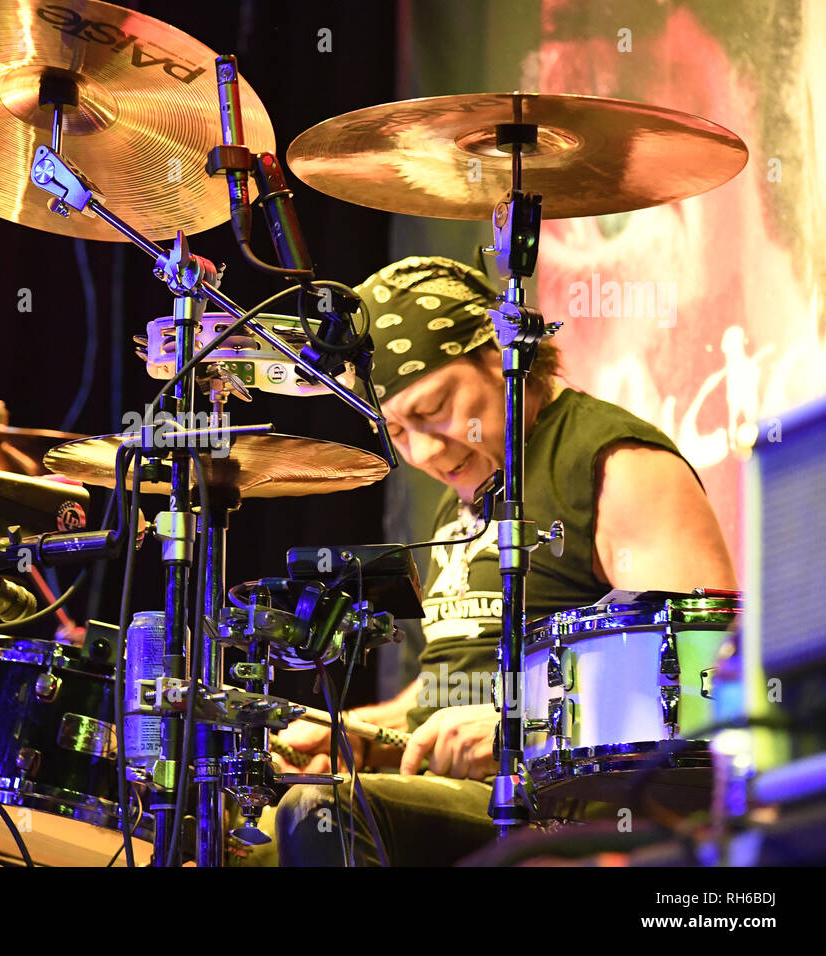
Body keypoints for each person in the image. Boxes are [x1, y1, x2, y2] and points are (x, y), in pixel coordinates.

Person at [261, 255, 737, 866]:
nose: (425, 452)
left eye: (434, 408)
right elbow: (456, 684)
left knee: (322, 812)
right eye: (398, 431)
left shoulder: (615, 463)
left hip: (562, 812)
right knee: (245, 838)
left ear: (501, 354)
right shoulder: (469, 490)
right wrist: (358, 734)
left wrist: (517, 727)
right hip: (464, 794)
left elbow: (704, 689)